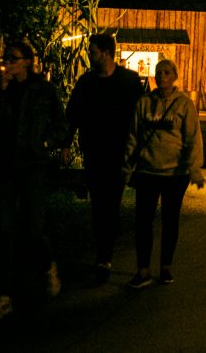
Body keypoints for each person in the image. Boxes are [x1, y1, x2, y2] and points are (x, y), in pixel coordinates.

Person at [0, 40, 70, 320]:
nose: (7, 62)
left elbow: (61, 124)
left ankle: (47, 267)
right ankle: (4, 294)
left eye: (13, 58)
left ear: (27, 62)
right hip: (6, 167)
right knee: (2, 229)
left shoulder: (43, 90)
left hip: (33, 166)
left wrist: (46, 143)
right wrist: (1, 90)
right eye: (5, 57)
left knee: (33, 229)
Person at [64, 33, 145, 284]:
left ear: (106, 53)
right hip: (94, 152)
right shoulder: (86, 83)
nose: (89, 55)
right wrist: (67, 143)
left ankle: (105, 257)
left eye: (93, 51)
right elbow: (74, 113)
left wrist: (139, 151)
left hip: (119, 153)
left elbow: (139, 117)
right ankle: (103, 255)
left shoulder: (129, 81)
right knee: (100, 204)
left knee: (110, 203)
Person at [123, 59, 206, 289]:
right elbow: (133, 136)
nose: (161, 76)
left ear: (174, 76)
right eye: (158, 72)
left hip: (174, 174)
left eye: (166, 72)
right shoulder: (144, 103)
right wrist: (127, 166)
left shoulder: (184, 105)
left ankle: (166, 266)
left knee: (170, 220)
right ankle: (143, 269)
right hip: (148, 170)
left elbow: (192, 137)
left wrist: (194, 168)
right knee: (143, 221)